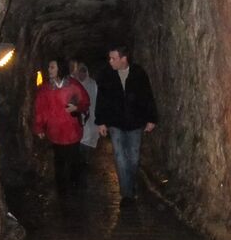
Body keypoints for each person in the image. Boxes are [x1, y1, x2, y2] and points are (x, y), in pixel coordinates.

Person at [95, 45, 158, 203]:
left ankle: (129, 184)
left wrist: (151, 118)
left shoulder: (138, 73)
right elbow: (101, 99)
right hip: (115, 122)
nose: (110, 61)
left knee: (134, 158)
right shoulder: (106, 75)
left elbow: (147, 96)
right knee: (120, 156)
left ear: (124, 59)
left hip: (135, 122)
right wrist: (101, 121)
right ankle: (127, 194)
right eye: (109, 58)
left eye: (113, 58)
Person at [32, 58, 90, 192]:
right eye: (49, 67)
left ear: (60, 68)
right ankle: (63, 192)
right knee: (59, 162)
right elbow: (40, 109)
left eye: (52, 67)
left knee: (74, 161)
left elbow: (85, 101)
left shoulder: (73, 85)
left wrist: (77, 108)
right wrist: (39, 127)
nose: (49, 70)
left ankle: (76, 189)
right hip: (56, 132)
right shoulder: (45, 89)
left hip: (72, 131)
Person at [74, 62, 100, 184]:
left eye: (84, 71)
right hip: (78, 117)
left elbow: (96, 100)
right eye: (80, 71)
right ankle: (79, 163)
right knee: (79, 140)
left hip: (90, 118)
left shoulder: (92, 84)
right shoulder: (74, 84)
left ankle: (84, 161)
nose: (82, 74)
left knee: (88, 140)